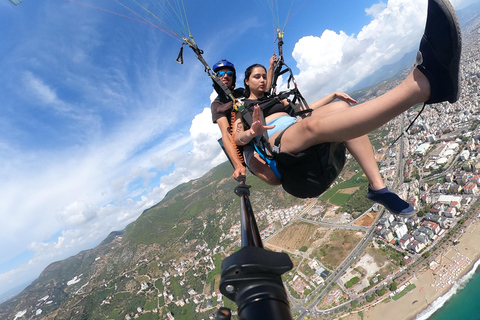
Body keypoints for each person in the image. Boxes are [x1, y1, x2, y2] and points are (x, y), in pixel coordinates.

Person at [233, 0, 461, 215]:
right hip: (277, 141)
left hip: (296, 125)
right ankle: (423, 85)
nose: (262, 80)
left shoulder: (276, 98)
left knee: (341, 106)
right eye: (256, 77)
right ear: (246, 82)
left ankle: (378, 187)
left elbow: (303, 110)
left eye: (264, 76)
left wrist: (331, 95)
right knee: (310, 126)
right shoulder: (242, 109)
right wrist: (252, 132)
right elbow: (237, 139)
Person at [210, 58, 280, 185]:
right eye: (220, 74)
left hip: (264, 128)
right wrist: (238, 165)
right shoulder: (217, 104)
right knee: (272, 178)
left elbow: (264, 90)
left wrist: (271, 67)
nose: (225, 76)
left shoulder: (242, 92)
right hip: (246, 142)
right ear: (216, 78)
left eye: (229, 73)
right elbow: (226, 134)